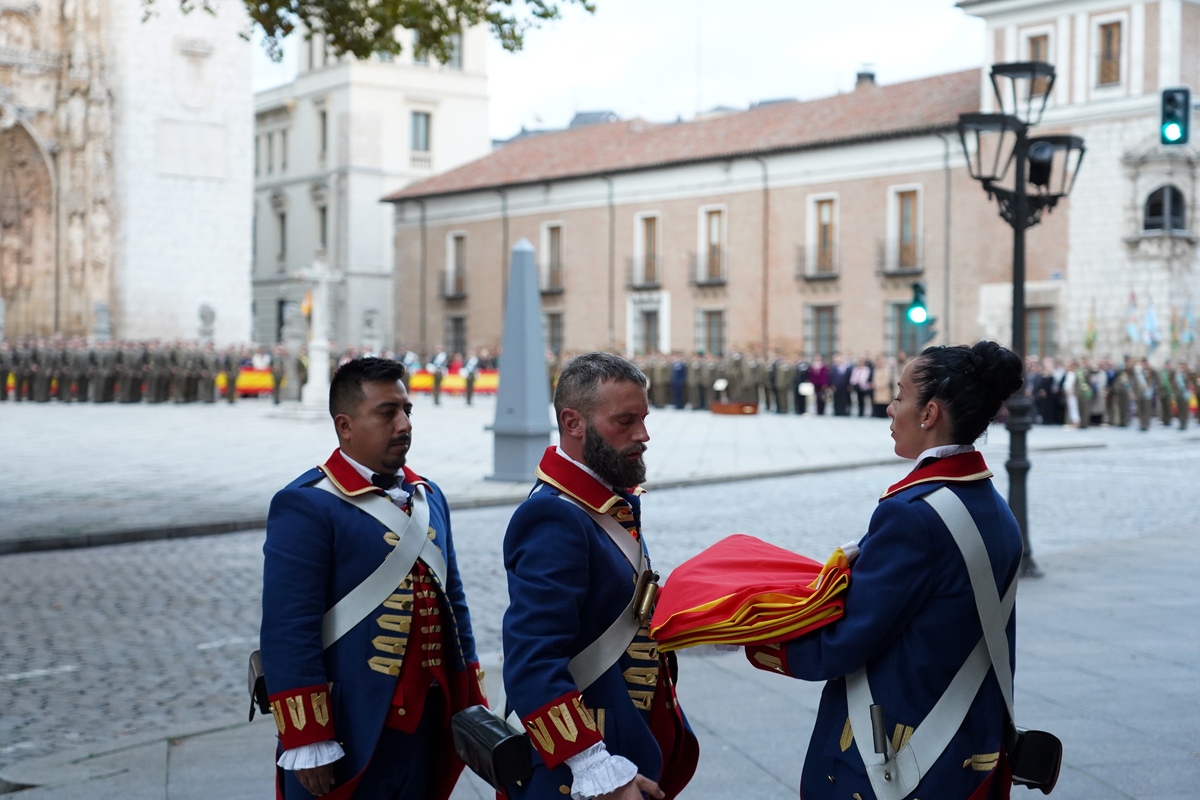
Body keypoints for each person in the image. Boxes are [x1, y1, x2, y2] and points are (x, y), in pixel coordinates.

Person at [745, 341, 1025, 800]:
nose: (891, 409)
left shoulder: (912, 515)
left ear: (929, 412)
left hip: (900, 754)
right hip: (968, 748)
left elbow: (844, 641)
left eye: (899, 395)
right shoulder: (994, 508)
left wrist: (752, 625)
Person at [260, 357, 487, 800]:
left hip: (428, 724)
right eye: (387, 413)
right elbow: (289, 629)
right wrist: (309, 738)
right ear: (345, 426)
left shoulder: (429, 497)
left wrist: (470, 698)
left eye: (407, 411)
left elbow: (453, 603)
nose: (403, 424)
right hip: (350, 727)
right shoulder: (306, 504)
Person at [501, 352, 697, 800]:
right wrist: (593, 764)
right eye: (624, 421)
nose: (643, 435)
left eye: (644, 418)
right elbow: (531, 660)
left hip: (627, 731)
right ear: (574, 423)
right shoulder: (554, 516)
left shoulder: (604, 499)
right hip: (584, 761)